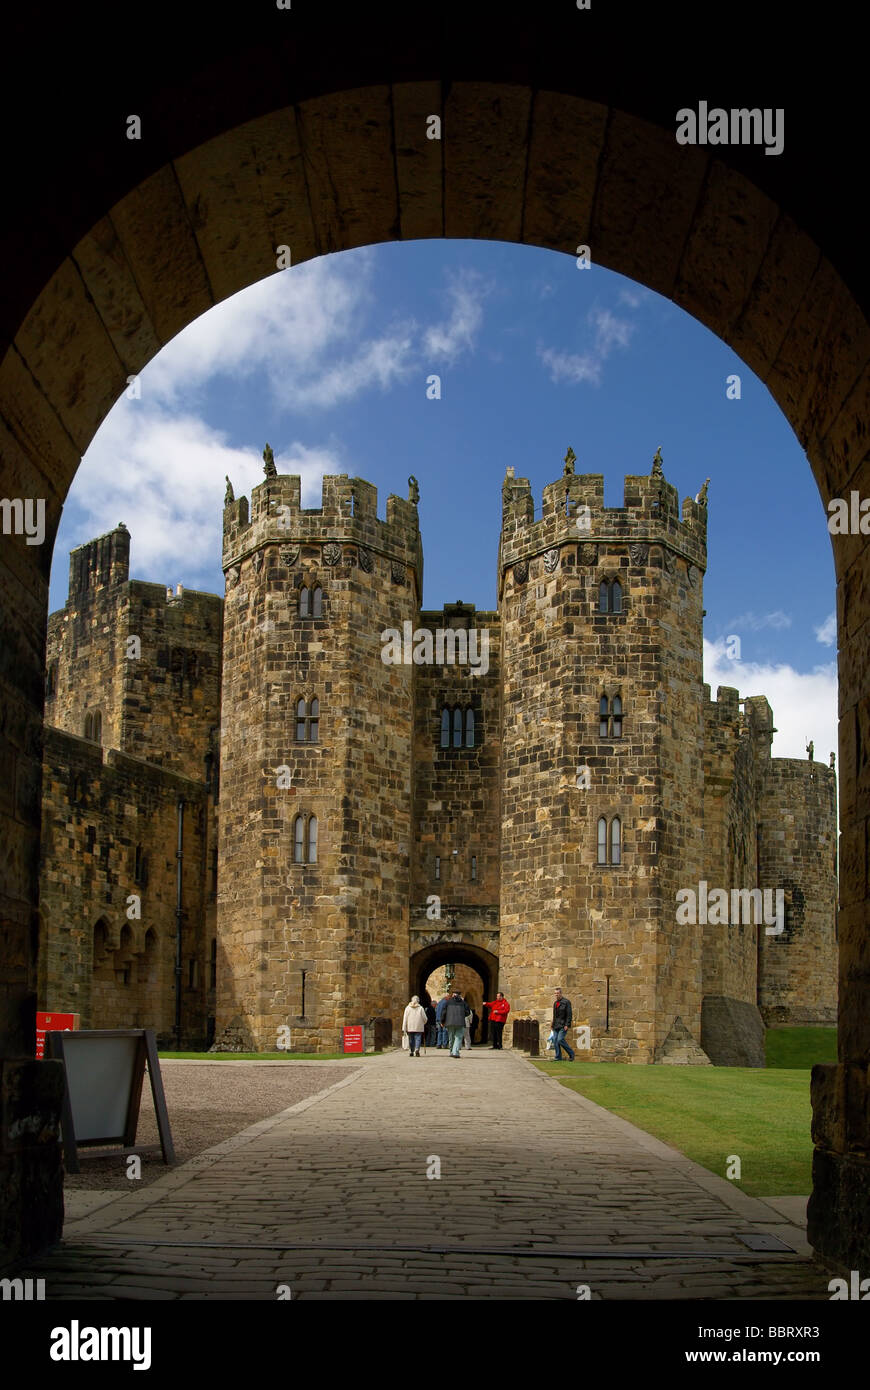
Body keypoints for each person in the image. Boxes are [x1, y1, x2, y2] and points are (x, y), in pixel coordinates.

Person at [444, 989, 471, 1058]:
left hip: (449, 1022)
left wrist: (442, 1021)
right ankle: (455, 1052)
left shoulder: (448, 1002)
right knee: (458, 1038)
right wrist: (462, 1015)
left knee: (451, 1038)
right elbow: (468, 1012)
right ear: (460, 995)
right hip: (460, 1022)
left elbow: (444, 1012)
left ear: (453, 995)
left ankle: (451, 1051)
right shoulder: (463, 1003)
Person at [552, 987, 575, 1062]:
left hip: (563, 1025)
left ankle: (571, 1053)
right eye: (555, 993)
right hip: (556, 1025)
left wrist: (567, 1025)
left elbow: (569, 1014)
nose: (556, 995)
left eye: (558, 993)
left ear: (561, 993)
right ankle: (558, 1057)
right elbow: (554, 1015)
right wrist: (552, 1024)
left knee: (560, 1039)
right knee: (555, 1040)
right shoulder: (555, 1003)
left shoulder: (566, 1002)